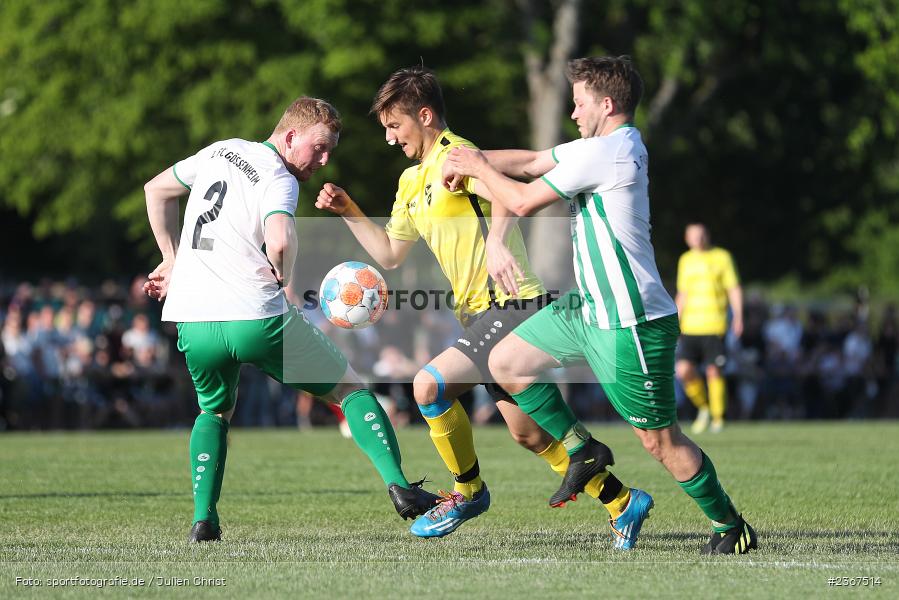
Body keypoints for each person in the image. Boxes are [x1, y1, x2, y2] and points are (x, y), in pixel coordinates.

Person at [444, 56, 757, 554]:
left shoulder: (608, 153)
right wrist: (466, 157)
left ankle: (729, 525)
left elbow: (523, 199)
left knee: (660, 442)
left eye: (579, 103)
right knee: (505, 361)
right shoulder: (600, 146)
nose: (573, 112)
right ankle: (582, 450)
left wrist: (475, 167)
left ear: (606, 105)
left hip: (630, 321)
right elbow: (527, 162)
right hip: (589, 308)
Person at [316, 66, 640, 544]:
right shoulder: (411, 181)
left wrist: (499, 242)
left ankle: (467, 493)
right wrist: (349, 211)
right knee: (528, 434)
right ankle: (624, 502)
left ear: (424, 116)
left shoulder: (457, 155)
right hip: (478, 315)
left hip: (511, 302)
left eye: (395, 125)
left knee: (428, 388)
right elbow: (389, 253)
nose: (389, 138)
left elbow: (507, 195)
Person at [142, 96, 439, 543]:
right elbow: (280, 237)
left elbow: (155, 190)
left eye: (329, 153)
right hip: (255, 318)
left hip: (194, 318)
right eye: (319, 148)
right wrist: (285, 276)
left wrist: (171, 259)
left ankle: (204, 520)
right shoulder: (278, 175)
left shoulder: (219, 151)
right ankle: (401, 487)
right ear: (291, 135)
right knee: (351, 390)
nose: (322, 160)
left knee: (214, 411)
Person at [675, 223, 743, 433]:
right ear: (687, 239)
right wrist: (675, 321)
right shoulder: (685, 260)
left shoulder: (722, 257)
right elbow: (682, 293)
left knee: (714, 371)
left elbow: (733, 288)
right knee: (683, 371)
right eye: (694, 236)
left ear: (708, 235)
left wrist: (739, 316)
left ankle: (718, 417)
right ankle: (703, 407)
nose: (699, 239)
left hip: (715, 325)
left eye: (702, 234)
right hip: (690, 327)